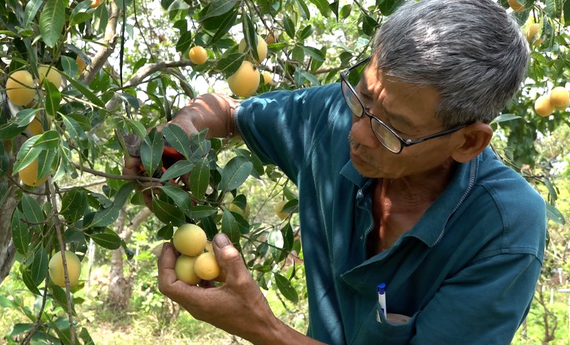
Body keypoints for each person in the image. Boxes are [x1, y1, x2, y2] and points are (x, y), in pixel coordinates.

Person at [124, 0, 546, 343]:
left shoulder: (504, 231)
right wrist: (174, 136)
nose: (357, 133)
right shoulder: (334, 117)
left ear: (467, 142)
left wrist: (259, 327)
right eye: (361, 98)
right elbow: (230, 112)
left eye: (390, 129)